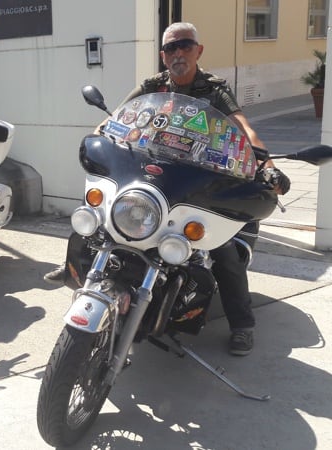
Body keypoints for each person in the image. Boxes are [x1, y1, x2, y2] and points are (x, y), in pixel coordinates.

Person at [45, 22, 291, 356]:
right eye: (170, 48)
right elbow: (117, 117)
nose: (178, 53)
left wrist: (267, 165)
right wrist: (99, 136)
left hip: (196, 178)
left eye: (185, 45)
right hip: (153, 173)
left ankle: (242, 324)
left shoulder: (214, 89)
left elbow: (243, 128)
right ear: (163, 55)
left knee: (222, 251)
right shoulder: (153, 86)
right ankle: (80, 268)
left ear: (198, 51)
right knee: (100, 216)